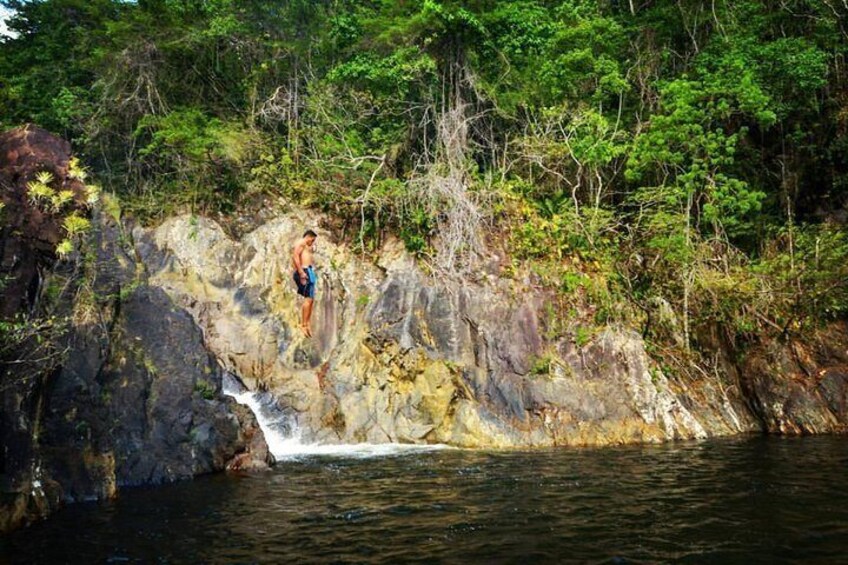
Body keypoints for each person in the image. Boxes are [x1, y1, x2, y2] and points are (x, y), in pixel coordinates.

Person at [291, 229, 318, 336]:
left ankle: (307, 323)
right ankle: (303, 324)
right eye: (313, 240)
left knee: (311, 299)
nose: (313, 242)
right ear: (309, 237)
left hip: (309, 271)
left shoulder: (306, 245)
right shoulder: (301, 243)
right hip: (304, 271)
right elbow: (295, 256)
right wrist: (301, 273)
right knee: (308, 299)